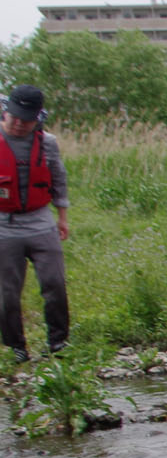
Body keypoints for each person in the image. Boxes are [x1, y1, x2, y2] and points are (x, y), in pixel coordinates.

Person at [0, 85, 70, 363]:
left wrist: (62, 217)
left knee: (54, 283)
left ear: (37, 118)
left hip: (41, 220)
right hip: (3, 225)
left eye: (26, 119)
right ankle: (16, 348)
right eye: (14, 117)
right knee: (7, 293)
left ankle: (58, 343)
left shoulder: (47, 142)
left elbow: (59, 178)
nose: (19, 124)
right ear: (5, 112)